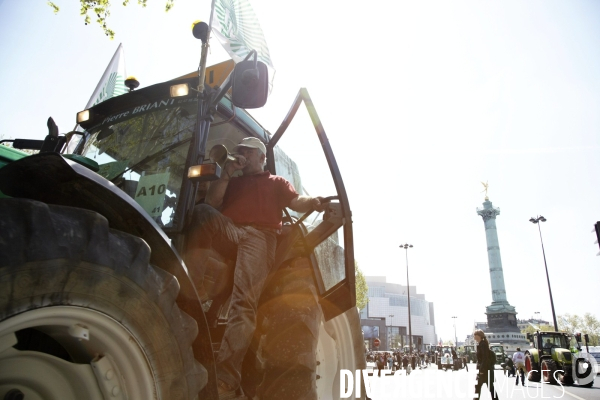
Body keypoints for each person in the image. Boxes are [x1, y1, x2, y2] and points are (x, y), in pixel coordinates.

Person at [187, 137, 327, 398]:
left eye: (247, 153)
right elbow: (213, 204)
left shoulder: (275, 182)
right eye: (240, 151)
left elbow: (296, 202)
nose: (242, 155)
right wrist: (227, 171)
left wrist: (314, 201)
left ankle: (226, 377)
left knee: (244, 304)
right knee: (203, 213)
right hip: (231, 231)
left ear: (261, 158)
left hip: (260, 237)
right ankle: (190, 295)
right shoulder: (233, 181)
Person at [474, 329, 499, 400]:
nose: (474, 337)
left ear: (479, 336)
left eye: (475, 335)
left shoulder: (483, 344)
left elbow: (485, 358)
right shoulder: (482, 344)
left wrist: (482, 370)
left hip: (484, 370)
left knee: (478, 387)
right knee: (490, 387)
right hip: (486, 369)